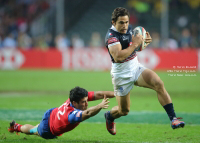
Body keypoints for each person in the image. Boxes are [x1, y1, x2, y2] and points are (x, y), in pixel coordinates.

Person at [104, 7, 185, 135]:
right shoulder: (111, 37)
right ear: (113, 22)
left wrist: (143, 44)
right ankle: (109, 116)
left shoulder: (129, 29)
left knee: (158, 83)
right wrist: (135, 44)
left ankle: (173, 119)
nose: (125, 26)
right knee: (124, 111)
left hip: (135, 67)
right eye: (121, 23)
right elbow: (118, 56)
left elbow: (133, 48)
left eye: (126, 22)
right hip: (121, 75)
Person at [8, 86, 114, 139]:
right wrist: (100, 106)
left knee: (35, 128)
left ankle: (17, 127)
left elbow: (99, 94)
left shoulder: (75, 98)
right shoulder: (71, 116)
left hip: (52, 113)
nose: (86, 104)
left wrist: (118, 93)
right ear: (74, 102)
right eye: (83, 102)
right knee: (33, 130)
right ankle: (17, 127)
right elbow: (87, 113)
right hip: (48, 128)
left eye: (87, 100)